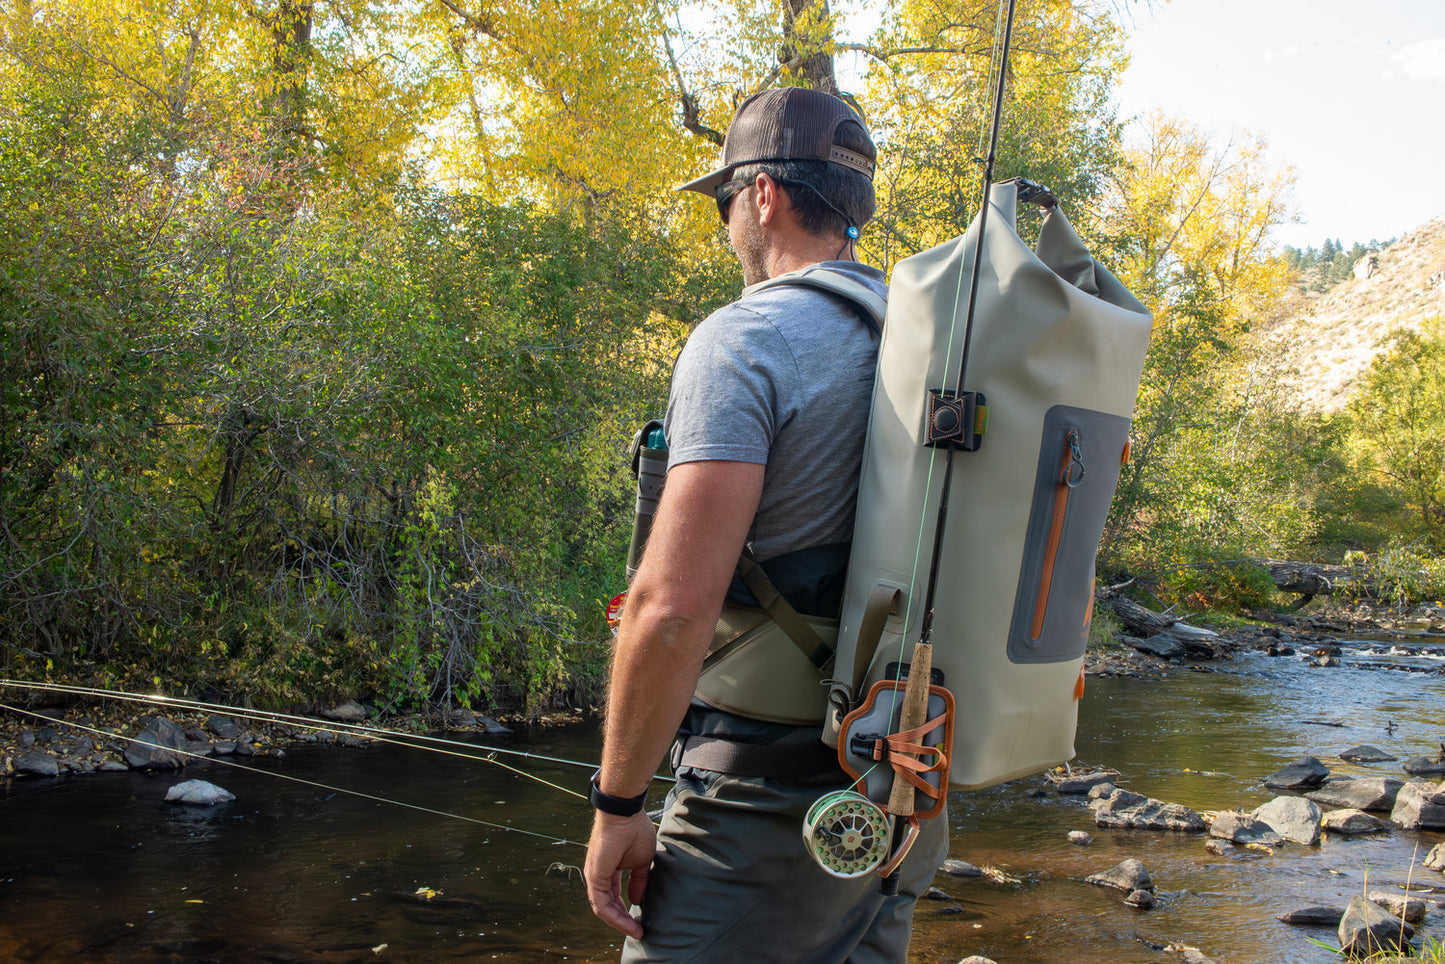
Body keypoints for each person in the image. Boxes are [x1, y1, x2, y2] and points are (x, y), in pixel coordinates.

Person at [583, 87, 948, 963]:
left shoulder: (746, 338)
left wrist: (617, 807)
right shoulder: (931, 342)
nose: (724, 224)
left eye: (723, 201)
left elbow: (670, 610)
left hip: (760, 809)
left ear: (762, 195)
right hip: (899, 794)